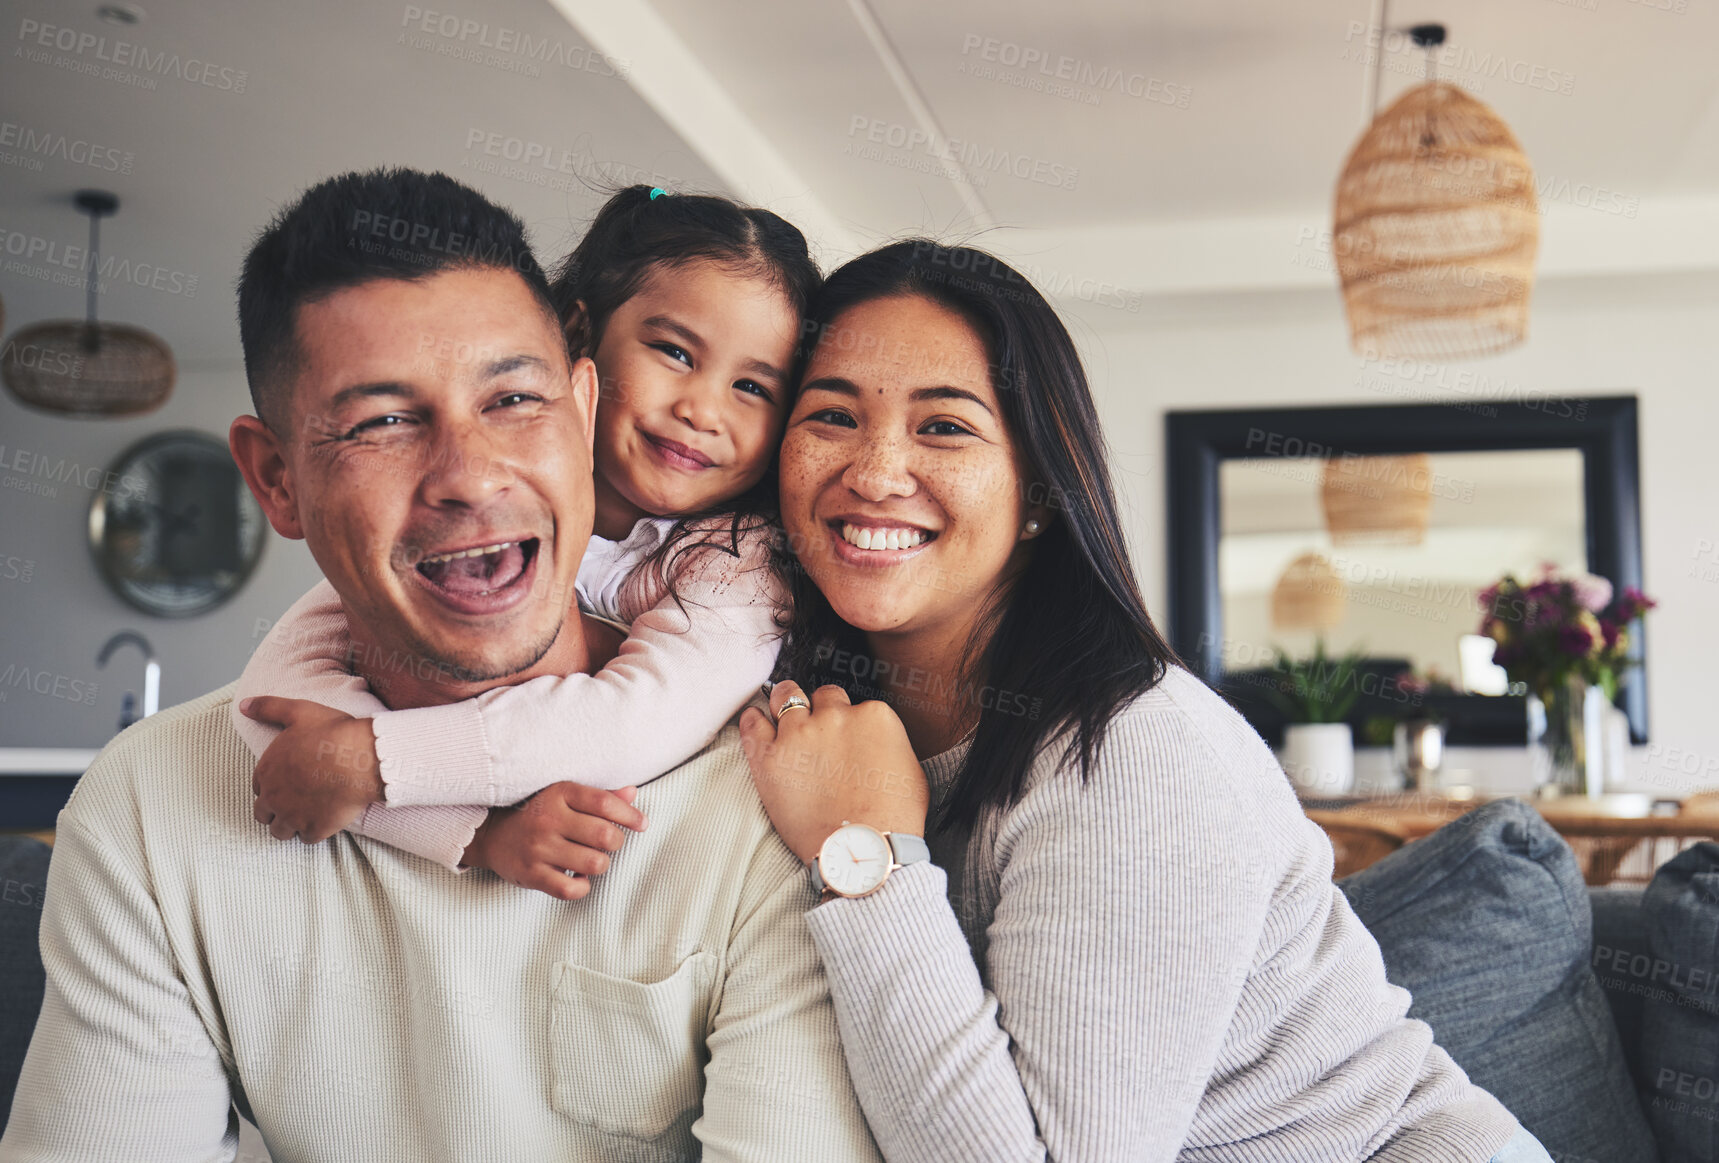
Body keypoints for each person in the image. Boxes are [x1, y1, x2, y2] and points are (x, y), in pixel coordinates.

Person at [0, 169, 880, 1162]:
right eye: (381, 420)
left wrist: (374, 767)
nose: (469, 476)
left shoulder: (767, 791)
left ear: (579, 409)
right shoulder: (153, 799)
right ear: (276, 479)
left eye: (513, 398)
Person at [737, 240, 1555, 1162]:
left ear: (1039, 489)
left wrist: (866, 859)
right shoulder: (817, 724)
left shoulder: (1132, 750)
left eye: (944, 428)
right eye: (831, 415)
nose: (876, 470)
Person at [232, 184, 815, 896]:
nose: (702, 409)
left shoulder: (738, 563)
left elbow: (630, 726)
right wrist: (472, 835)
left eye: (754, 388)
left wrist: (373, 761)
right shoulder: (441, 542)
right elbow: (271, 706)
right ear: (581, 343)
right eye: (673, 351)